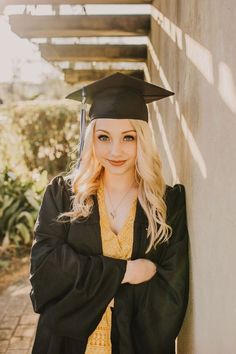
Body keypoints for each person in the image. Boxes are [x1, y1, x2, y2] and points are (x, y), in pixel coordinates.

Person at [29, 72, 189, 354]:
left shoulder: (167, 204)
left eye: (128, 137)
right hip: (64, 346)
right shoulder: (63, 196)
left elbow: (171, 295)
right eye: (104, 137)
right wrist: (125, 272)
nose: (116, 150)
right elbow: (46, 271)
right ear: (91, 139)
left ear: (143, 140)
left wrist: (90, 286)